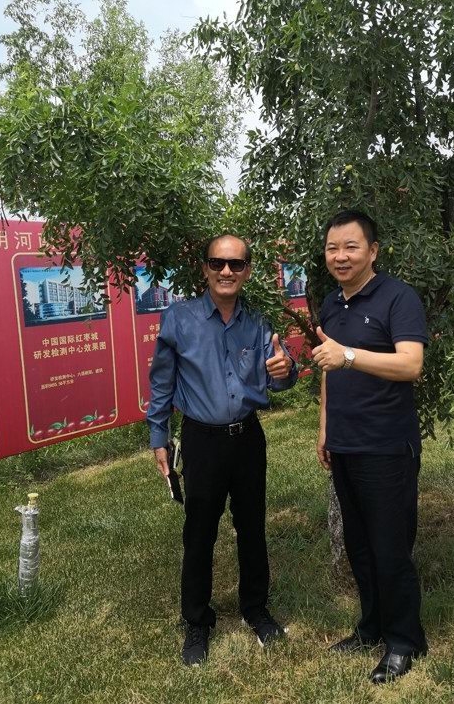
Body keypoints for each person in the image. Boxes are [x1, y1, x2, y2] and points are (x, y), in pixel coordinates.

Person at [147, 234, 297, 666]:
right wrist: (159, 437)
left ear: (247, 271)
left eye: (236, 264)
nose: (226, 271)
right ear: (205, 269)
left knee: (252, 527)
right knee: (199, 533)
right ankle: (197, 620)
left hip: (247, 438)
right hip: (202, 441)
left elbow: (282, 376)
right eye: (217, 263)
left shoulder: (258, 322)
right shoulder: (179, 320)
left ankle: (256, 609)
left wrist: (286, 369)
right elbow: (161, 384)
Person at [312, 209, 428, 684]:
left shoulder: (398, 298)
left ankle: (404, 641)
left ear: (373, 251)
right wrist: (325, 427)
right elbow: (328, 367)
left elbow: (411, 364)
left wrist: (349, 355)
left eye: (351, 247)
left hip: (386, 447)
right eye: (332, 248)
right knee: (360, 546)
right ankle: (371, 627)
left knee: (390, 548)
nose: (340, 256)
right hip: (345, 444)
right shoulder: (330, 304)